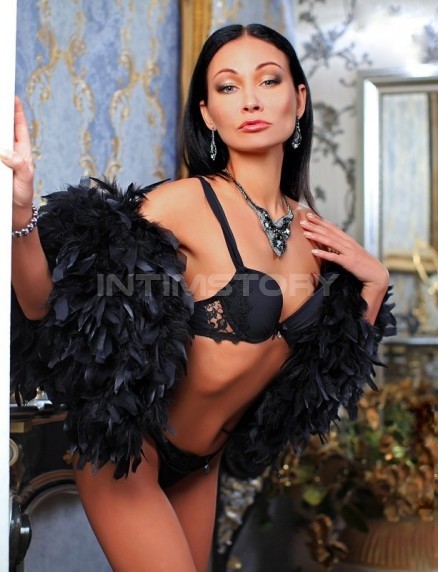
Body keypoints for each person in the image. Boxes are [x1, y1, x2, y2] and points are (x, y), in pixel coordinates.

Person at [4, 23, 395, 572]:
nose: (251, 100)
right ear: (208, 114)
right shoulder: (185, 203)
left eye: (269, 80)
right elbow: (44, 305)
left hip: (203, 465)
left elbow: (325, 379)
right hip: (128, 453)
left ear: (300, 99)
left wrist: (374, 283)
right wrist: (20, 214)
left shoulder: (318, 236)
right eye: (229, 87)